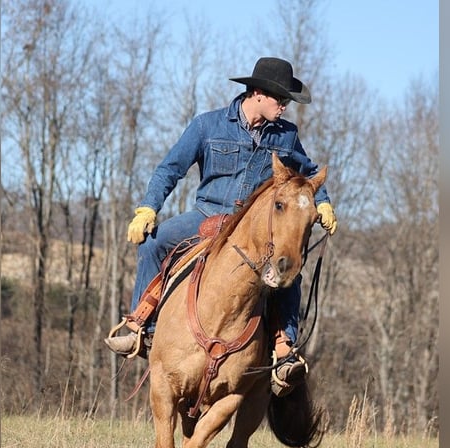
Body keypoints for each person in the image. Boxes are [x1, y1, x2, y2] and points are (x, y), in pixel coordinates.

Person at [105, 57, 337, 386]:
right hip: (206, 216)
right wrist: (148, 209)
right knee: (155, 242)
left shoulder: (287, 136)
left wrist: (323, 203)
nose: (284, 106)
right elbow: (170, 169)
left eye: (286, 101)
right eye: (280, 99)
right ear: (258, 93)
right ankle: (141, 326)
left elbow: (311, 173)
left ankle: (283, 347)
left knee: (288, 271)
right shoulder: (207, 126)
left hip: (253, 230)